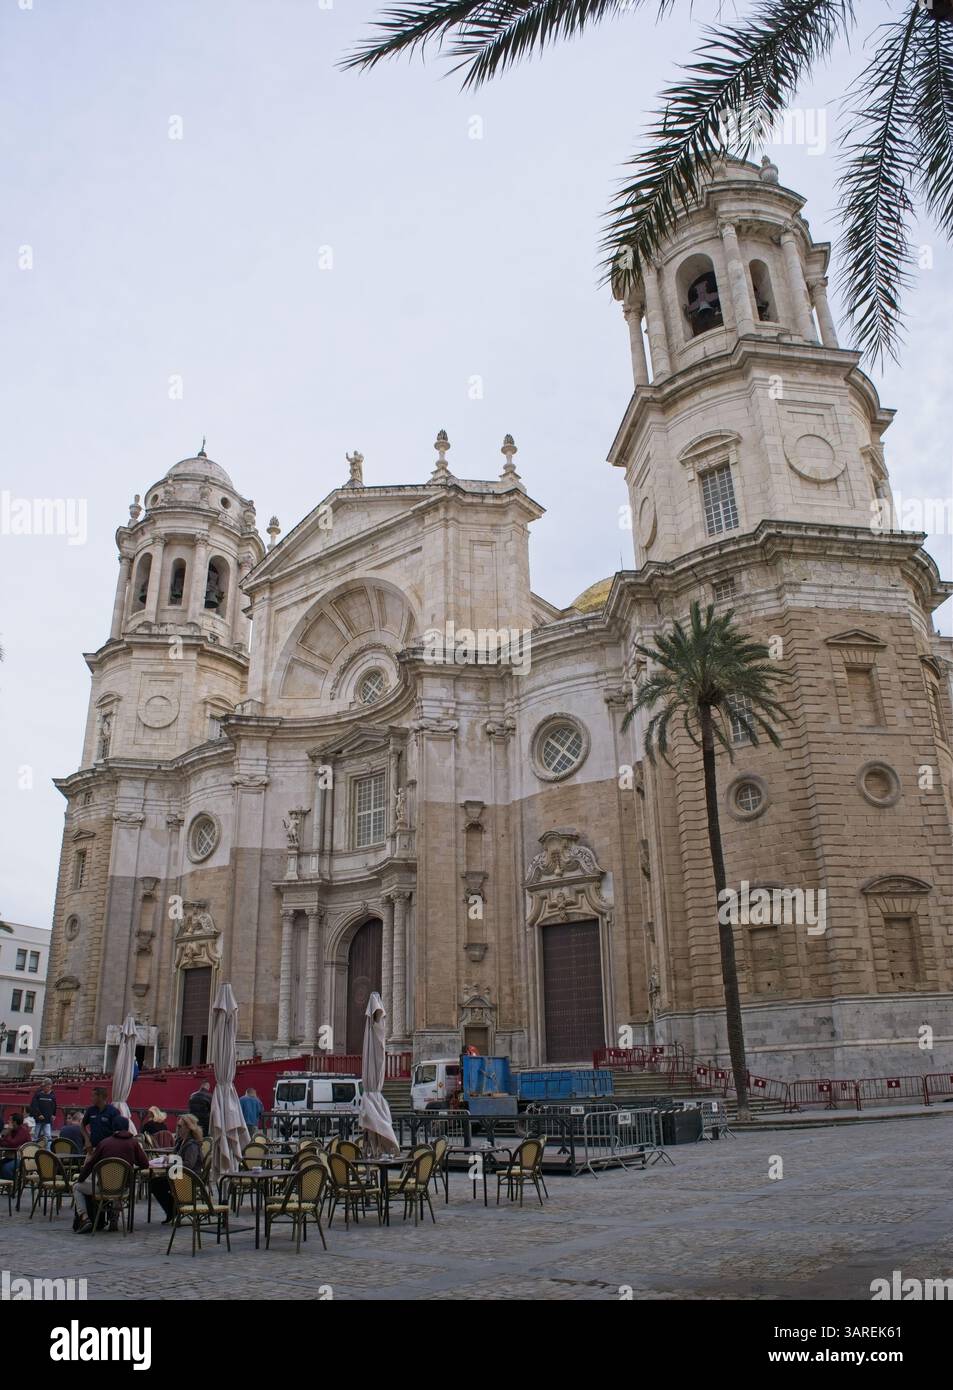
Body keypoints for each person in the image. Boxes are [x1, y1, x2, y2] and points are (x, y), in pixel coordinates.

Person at [72, 1115, 149, 1234]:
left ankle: (84, 1218)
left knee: (76, 1187)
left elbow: (90, 1164)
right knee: (121, 1184)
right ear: (127, 1127)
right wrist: (132, 1164)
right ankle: (115, 1216)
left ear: (113, 1127)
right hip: (123, 1189)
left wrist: (81, 1179)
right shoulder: (134, 1143)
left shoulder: (104, 1143)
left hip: (103, 1188)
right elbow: (145, 1164)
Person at [150, 1113, 204, 1224]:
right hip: (178, 1174)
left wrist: (171, 1160)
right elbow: (175, 1157)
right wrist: (168, 1158)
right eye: (177, 1126)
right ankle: (173, 1210)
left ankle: (173, 1210)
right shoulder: (180, 1141)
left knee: (156, 1184)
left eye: (180, 1127)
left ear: (188, 1128)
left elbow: (189, 1164)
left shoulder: (192, 1144)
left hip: (190, 1178)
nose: (177, 1129)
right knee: (154, 1183)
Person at [0, 1113, 31, 1182]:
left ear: (15, 1122)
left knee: (6, 1168)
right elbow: (2, 1143)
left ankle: (13, 1185)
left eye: (10, 1120)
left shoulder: (23, 1131)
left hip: (23, 1158)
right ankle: (4, 1184)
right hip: (12, 1157)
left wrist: (9, 1131)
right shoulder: (13, 1131)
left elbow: (12, 1144)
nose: (8, 1121)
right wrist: (6, 1133)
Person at [28, 1081, 57, 1146]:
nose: (48, 1088)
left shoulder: (52, 1095)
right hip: (38, 1119)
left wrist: (54, 1114)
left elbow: (54, 1105)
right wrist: (39, 1114)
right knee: (36, 1135)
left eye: (49, 1086)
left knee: (48, 1136)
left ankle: (48, 1150)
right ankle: (34, 1148)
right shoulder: (38, 1094)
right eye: (46, 1086)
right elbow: (34, 1105)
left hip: (47, 1119)